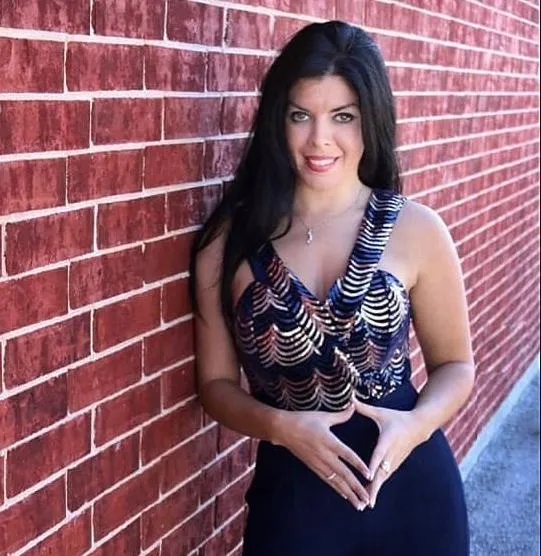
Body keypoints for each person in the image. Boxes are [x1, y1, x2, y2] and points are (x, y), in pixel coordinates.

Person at [189, 20, 475, 556]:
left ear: (371, 119)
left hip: (413, 493)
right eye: (300, 115)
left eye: (343, 116)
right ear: (277, 119)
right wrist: (280, 426)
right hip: (294, 504)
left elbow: (456, 366)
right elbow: (216, 386)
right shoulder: (229, 242)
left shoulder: (416, 229)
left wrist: (415, 425)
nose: (319, 139)